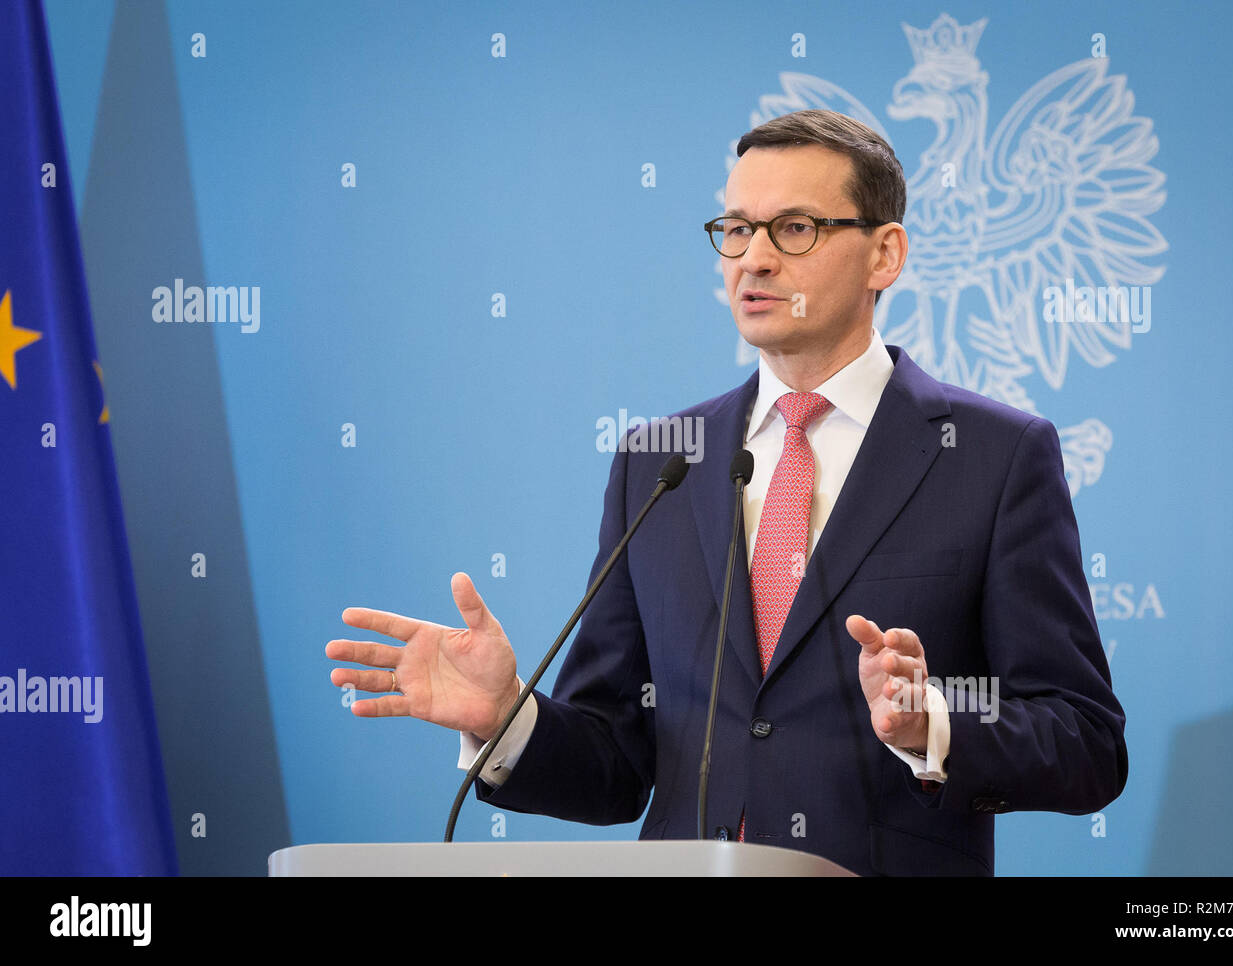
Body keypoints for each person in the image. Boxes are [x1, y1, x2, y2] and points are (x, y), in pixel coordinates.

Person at [326, 109, 1127, 876]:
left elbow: (1087, 743)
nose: (754, 259)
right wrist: (508, 719)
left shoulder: (995, 456)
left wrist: (935, 724)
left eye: (795, 228)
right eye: (737, 229)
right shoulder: (661, 462)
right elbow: (617, 758)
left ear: (885, 255)